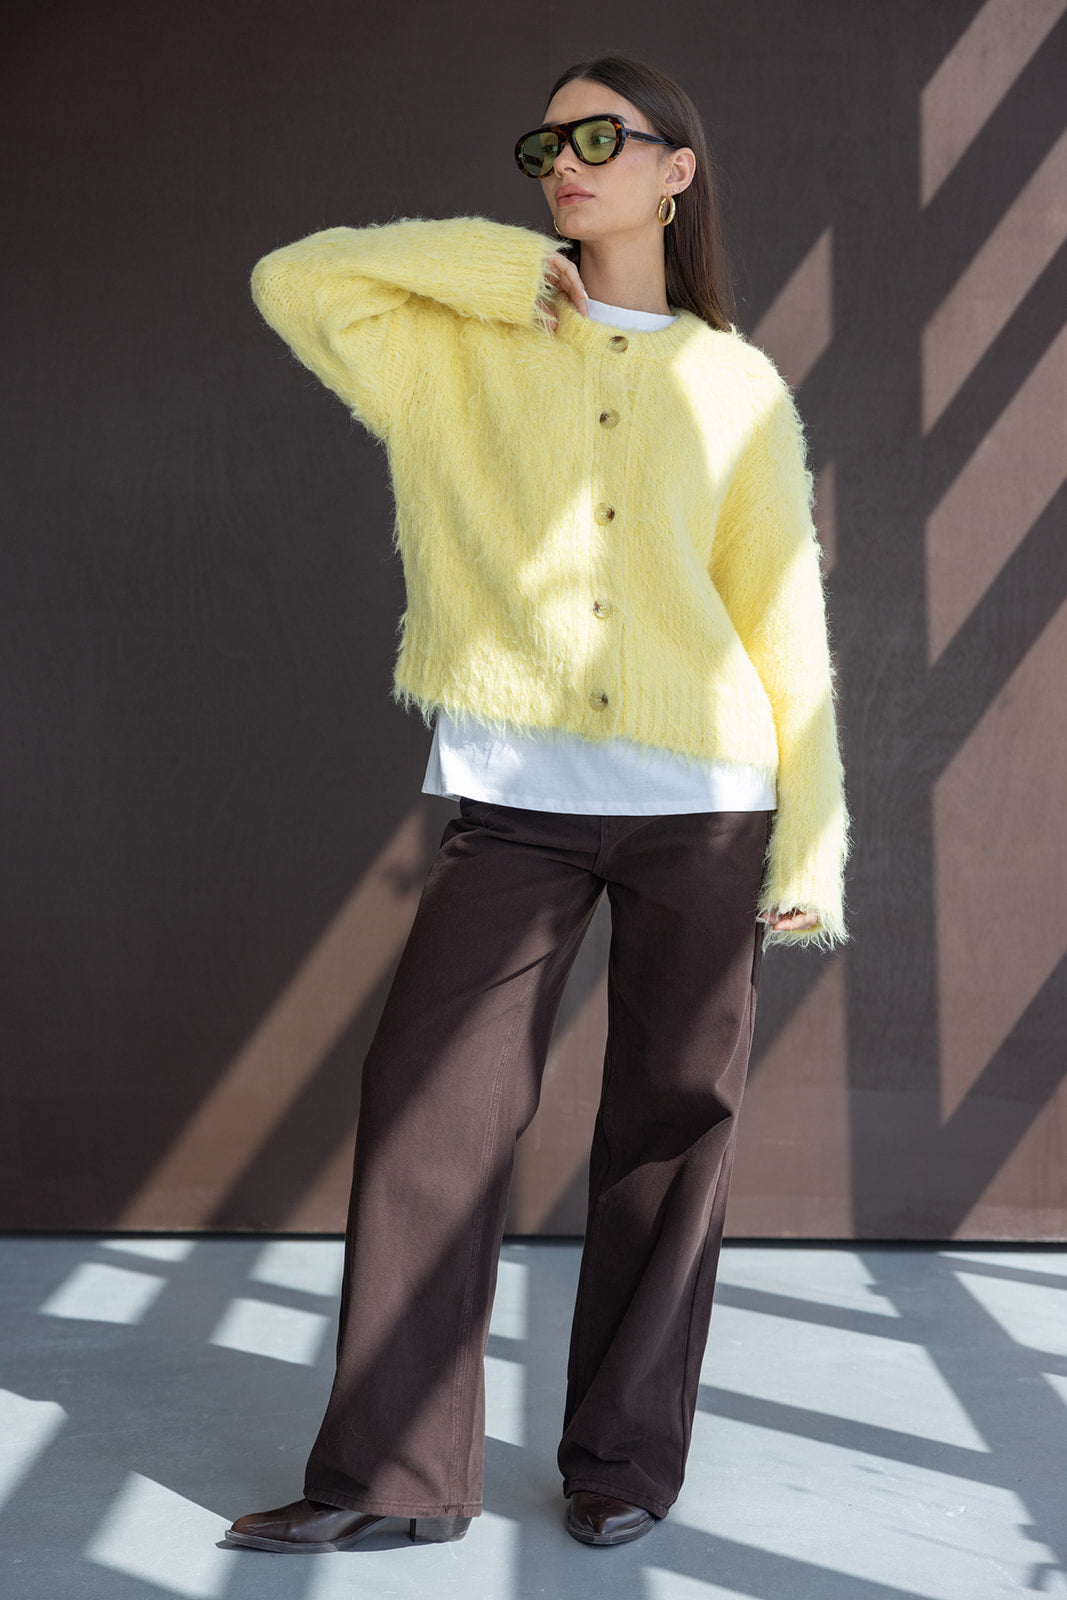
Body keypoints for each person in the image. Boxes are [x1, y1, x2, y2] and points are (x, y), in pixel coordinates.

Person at [226, 53, 848, 1555]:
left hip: (707, 797)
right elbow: (295, 282)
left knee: (671, 1126)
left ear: (675, 170)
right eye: (546, 145)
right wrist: (504, 270)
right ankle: (392, 1480)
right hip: (516, 797)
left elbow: (784, 617)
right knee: (430, 1106)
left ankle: (622, 1463)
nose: (564, 162)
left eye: (598, 138)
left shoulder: (736, 383)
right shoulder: (463, 342)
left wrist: (814, 834)